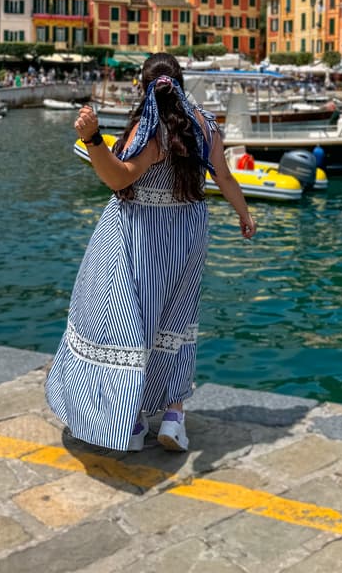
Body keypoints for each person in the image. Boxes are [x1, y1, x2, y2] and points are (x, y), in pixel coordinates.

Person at [46, 52, 256, 454]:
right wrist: (244, 215)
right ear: (181, 81)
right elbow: (225, 176)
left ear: (143, 87)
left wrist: (93, 140)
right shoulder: (205, 125)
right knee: (175, 320)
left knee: (127, 323)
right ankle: (174, 418)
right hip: (187, 232)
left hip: (142, 232)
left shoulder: (150, 128)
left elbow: (118, 177)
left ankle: (132, 421)